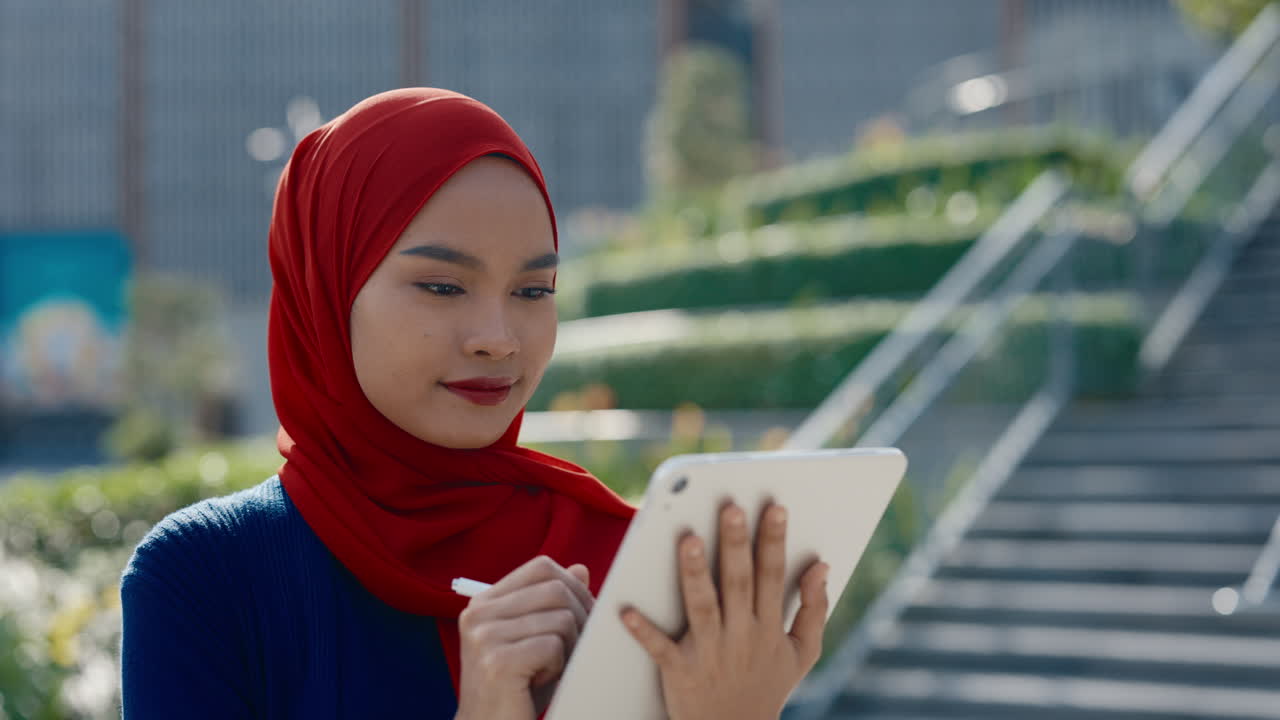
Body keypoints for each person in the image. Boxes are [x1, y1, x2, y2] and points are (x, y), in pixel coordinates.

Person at [118, 87, 831, 720]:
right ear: (327, 293)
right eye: (442, 286)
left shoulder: (635, 569)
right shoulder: (204, 579)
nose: (498, 339)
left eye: (533, 292)